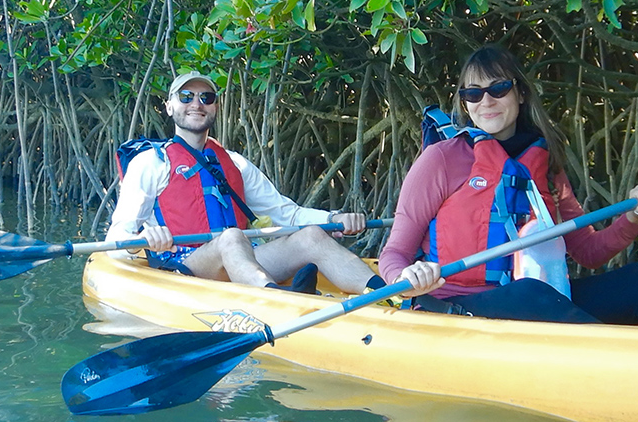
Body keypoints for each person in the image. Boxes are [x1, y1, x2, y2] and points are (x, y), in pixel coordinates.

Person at [379, 46, 638, 328]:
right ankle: (628, 361)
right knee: (530, 293)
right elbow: (394, 254)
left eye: (498, 89)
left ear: (520, 93)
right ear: (464, 103)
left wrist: (636, 217)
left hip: (539, 300)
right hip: (454, 308)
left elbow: (588, 252)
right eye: (473, 93)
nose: (486, 101)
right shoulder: (441, 159)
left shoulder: (543, 164)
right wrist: (406, 280)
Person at [108, 71, 438, 297]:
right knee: (231, 238)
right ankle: (277, 300)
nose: (197, 103)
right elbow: (117, 238)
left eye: (206, 97)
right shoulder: (151, 163)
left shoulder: (234, 163)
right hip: (186, 268)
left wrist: (331, 219)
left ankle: (386, 293)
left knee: (309, 235)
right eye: (186, 96)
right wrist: (141, 241)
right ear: (169, 106)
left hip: (242, 263)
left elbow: (287, 215)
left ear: (216, 107)